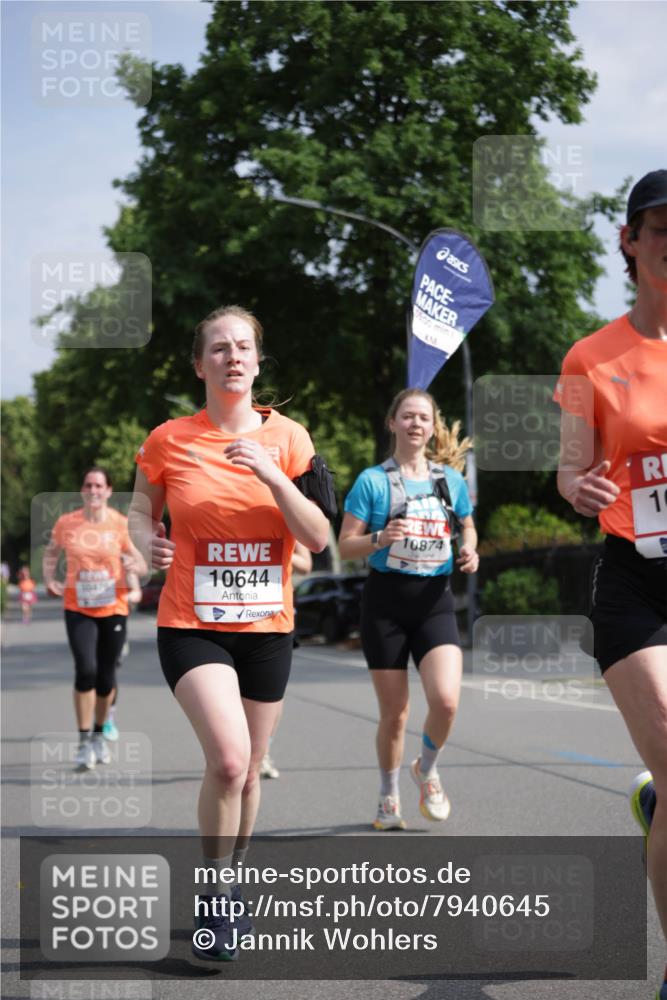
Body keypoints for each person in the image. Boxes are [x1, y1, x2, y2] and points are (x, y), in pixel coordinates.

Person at [129, 305, 331, 962]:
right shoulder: (167, 440)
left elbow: (319, 536)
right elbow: (139, 511)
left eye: (244, 347)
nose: (233, 357)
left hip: (267, 627)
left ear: (258, 360)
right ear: (199, 364)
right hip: (192, 624)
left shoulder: (291, 439)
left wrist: (271, 474)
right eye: (219, 348)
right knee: (229, 760)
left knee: (248, 781)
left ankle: (233, 879)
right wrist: (143, 545)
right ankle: (215, 896)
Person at [555, 169, 667, 1000]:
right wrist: (581, 488)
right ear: (628, 242)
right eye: (657, 228)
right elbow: (568, 471)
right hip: (634, 582)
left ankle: (654, 806)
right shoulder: (590, 358)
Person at [339, 388, 479, 830]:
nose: (416, 424)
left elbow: (469, 528)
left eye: (424, 418)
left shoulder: (449, 481)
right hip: (385, 605)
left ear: (432, 427)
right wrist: (380, 538)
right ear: (392, 422)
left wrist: (471, 551)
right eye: (408, 416)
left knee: (447, 701)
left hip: (434, 601)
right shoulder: (372, 481)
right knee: (395, 712)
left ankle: (428, 769)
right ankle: (388, 794)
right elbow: (345, 546)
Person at [43, 468, 147, 771]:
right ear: (82, 490)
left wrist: (134, 564)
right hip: (78, 606)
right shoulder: (67, 523)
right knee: (85, 670)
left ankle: (100, 735)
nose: (93, 489)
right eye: (88, 484)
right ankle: (84, 740)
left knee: (106, 677)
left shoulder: (120, 524)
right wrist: (50, 578)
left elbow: (140, 562)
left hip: (113, 608)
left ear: (109, 490)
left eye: (99, 485)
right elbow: (51, 554)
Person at [259, 541, 313, 779]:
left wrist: (271, 552)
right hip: (228, 613)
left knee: (270, 694)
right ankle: (237, 750)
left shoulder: (285, 508)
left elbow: (306, 565)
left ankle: (263, 750)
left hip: (274, 615)